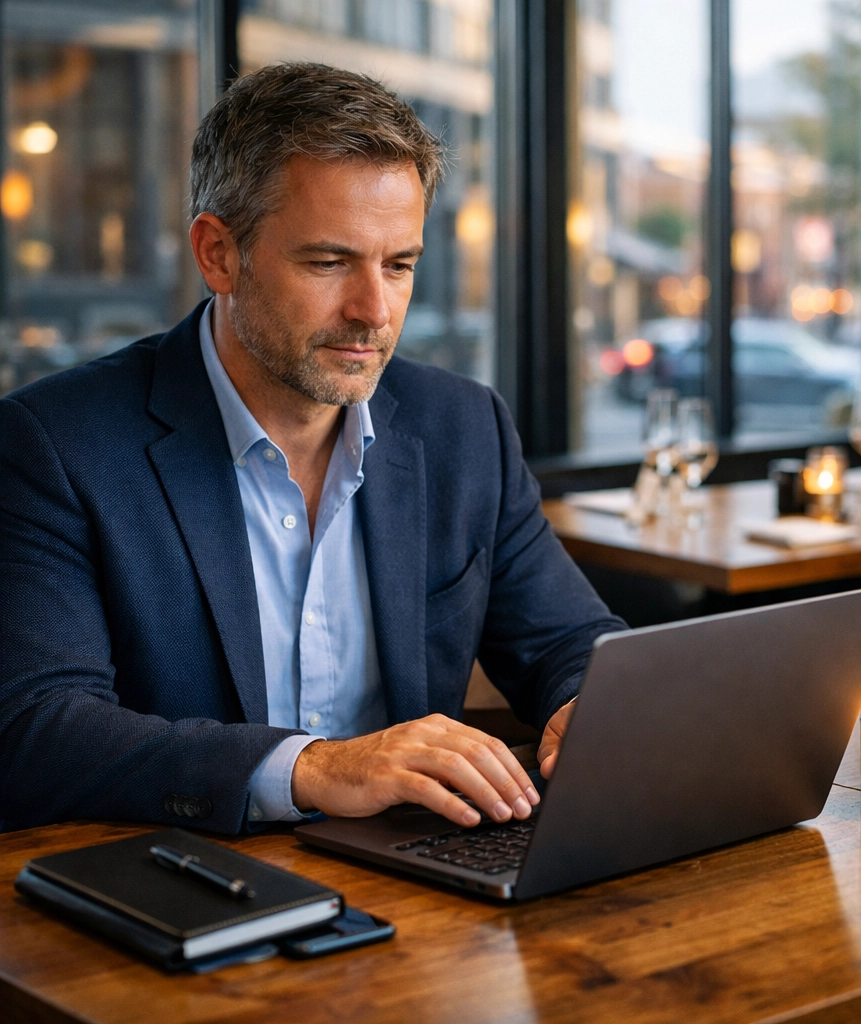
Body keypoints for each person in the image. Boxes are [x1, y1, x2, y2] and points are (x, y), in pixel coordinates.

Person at [0, 63, 625, 836]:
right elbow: (35, 730)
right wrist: (313, 767)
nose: (373, 312)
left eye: (399, 266)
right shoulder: (55, 444)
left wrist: (587, 705)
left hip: (413, 881)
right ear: (218, 253)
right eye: (329, 262)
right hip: (188, 887)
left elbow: (566, 638)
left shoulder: (463, 428)